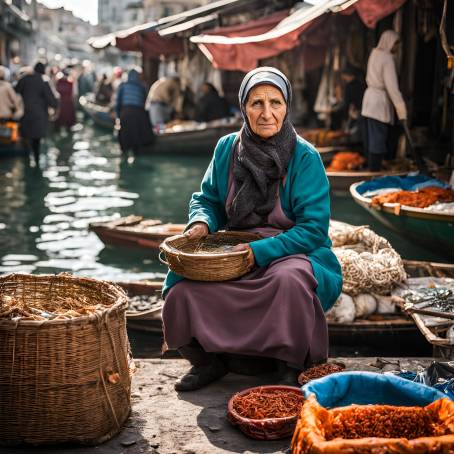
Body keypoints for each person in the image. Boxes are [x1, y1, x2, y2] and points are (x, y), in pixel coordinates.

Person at [162, 67, 343, 391]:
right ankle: (207, 361)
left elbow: (314, 229)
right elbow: (208, 199)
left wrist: (258, 252)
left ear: (287, 106)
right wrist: (201, 223)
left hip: (295, 248)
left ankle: (290, 364)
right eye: (256, 103)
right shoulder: (226, 148)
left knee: (287, 281)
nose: (266, 113)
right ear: (243, 107)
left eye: (275, 102)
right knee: (180, 284)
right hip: (233, 246)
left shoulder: (305, 157)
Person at [361, 30, 407, 171]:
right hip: (379, 103)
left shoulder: (374, 53)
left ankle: (372, 168)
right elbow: (392, 88)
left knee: (373, 138)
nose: (397, 48)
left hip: (369, 101)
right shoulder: (387, 58)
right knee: (378, 139)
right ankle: (374, 171)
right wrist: (402, 111)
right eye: (396, 45)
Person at [15, 62, 59, 163]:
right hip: (39, 116)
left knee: (26, 138)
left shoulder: (24, 79)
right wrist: (55, 106)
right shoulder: (43, 81)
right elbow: (51, 100)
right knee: (36, 140)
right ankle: (36, 159)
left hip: (25, 115)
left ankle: (26, 160)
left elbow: (16, 91)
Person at [115, 68, 153, 153]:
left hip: (126, 112)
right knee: (137, 137)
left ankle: (124, 152)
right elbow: (144, 102)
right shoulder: (142, 86)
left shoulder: (123, 85)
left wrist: (118, 117)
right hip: (138, 113)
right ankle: (136, 151)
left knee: (124, 137)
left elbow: (118, 103)